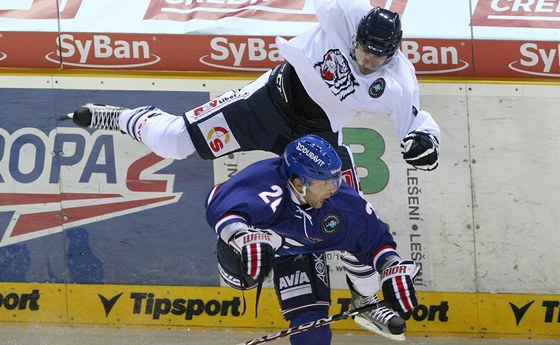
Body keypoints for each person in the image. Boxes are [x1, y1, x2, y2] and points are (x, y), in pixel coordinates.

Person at [68, 0, 438, 338]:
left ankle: (365, 301)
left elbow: (417, 122)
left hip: (317, 135)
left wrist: (425, 143)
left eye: (378, 56)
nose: (368, 61)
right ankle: (120, 117)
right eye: (363, 50)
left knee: (352, 211)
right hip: (264, 106)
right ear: (355, 34)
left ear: (393, 51)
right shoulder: (344, 12)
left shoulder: (398, 80)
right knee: (174, 140)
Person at [206, 134, 419, 345]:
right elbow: (216, 201)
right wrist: (241, 236)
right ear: (300, 184)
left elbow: (374, 238)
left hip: (302, 249)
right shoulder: (265, 184)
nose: (332, 190)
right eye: (325, 183)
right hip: (259, 239)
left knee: (313, 336)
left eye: (335, 181)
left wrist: (391, 266)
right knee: (244, 274)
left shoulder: (340, 203)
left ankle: (364, 298)